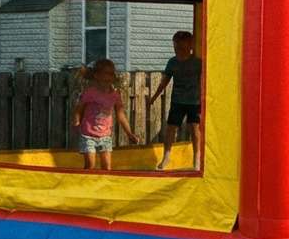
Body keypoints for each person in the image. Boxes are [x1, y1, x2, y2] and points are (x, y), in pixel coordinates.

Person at [148, 31, 202, 170]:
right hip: (178, 101)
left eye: (181, 46)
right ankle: (166, 156)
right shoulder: (172, 62)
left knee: (195, 129)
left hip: (194, 102)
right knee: (171, 128)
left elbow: (205, 81)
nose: (177, 48)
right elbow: (164, 82)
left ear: (190, 46)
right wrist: (154, 97)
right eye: (176, 45)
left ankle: (197, 157)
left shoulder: (197, 62)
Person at [72, 58, 139, 170]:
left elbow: (121, 115)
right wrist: (77, 120)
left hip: (105, 135)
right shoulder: (90, 92)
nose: (110, 76)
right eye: (106, 73)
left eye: (112, 73)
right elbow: (79, 108)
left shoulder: (115, 95)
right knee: (90, 165)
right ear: (97, 75)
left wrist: (129, 133)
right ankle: (87, 185)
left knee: (107, 167)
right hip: (88, 135)